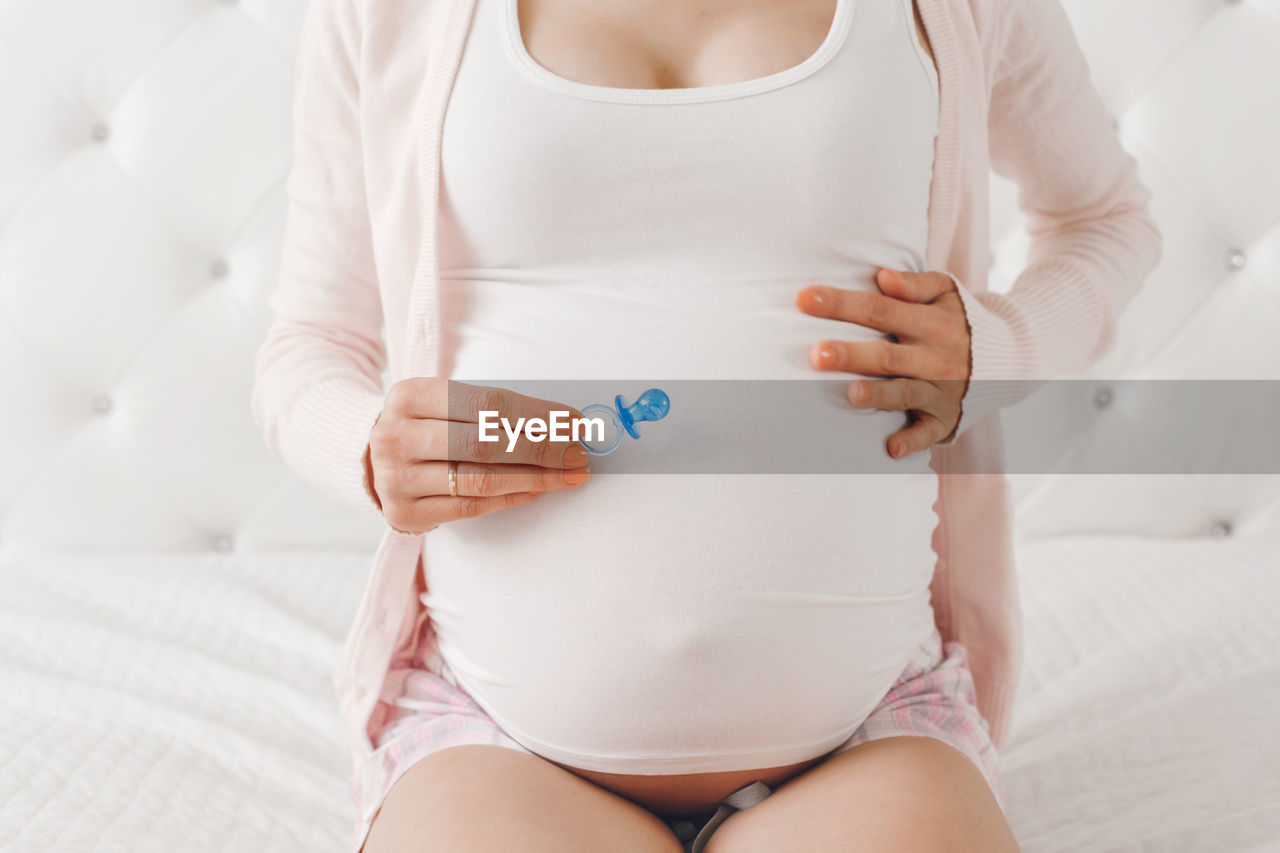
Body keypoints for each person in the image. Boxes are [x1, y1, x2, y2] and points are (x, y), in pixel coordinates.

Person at [251, 0, 1161, 850]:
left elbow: (1105, 220)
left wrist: (996, 348)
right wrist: (372, 447)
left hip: (871, 733)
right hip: (493, 742)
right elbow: (309, 344)